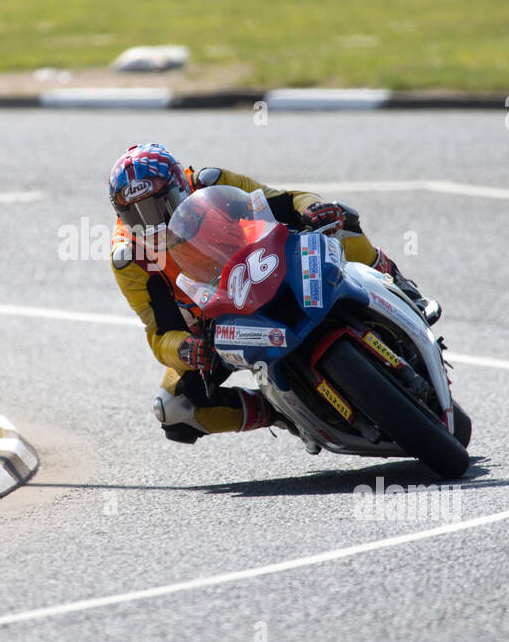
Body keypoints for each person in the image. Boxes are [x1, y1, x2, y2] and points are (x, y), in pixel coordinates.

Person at [108, 142, 435, 444]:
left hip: (269, 264)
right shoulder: (130, 258)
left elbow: (287, 200)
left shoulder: (211, 182)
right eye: (134, 216)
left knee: (338, 220)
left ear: (180, 187)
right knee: (173, 409)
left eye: (157, 208)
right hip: (217, 322)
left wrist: (315, 207)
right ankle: (280, 412)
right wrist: (185, 349)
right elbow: (159, 333)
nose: (150, 224)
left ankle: (400, 285)